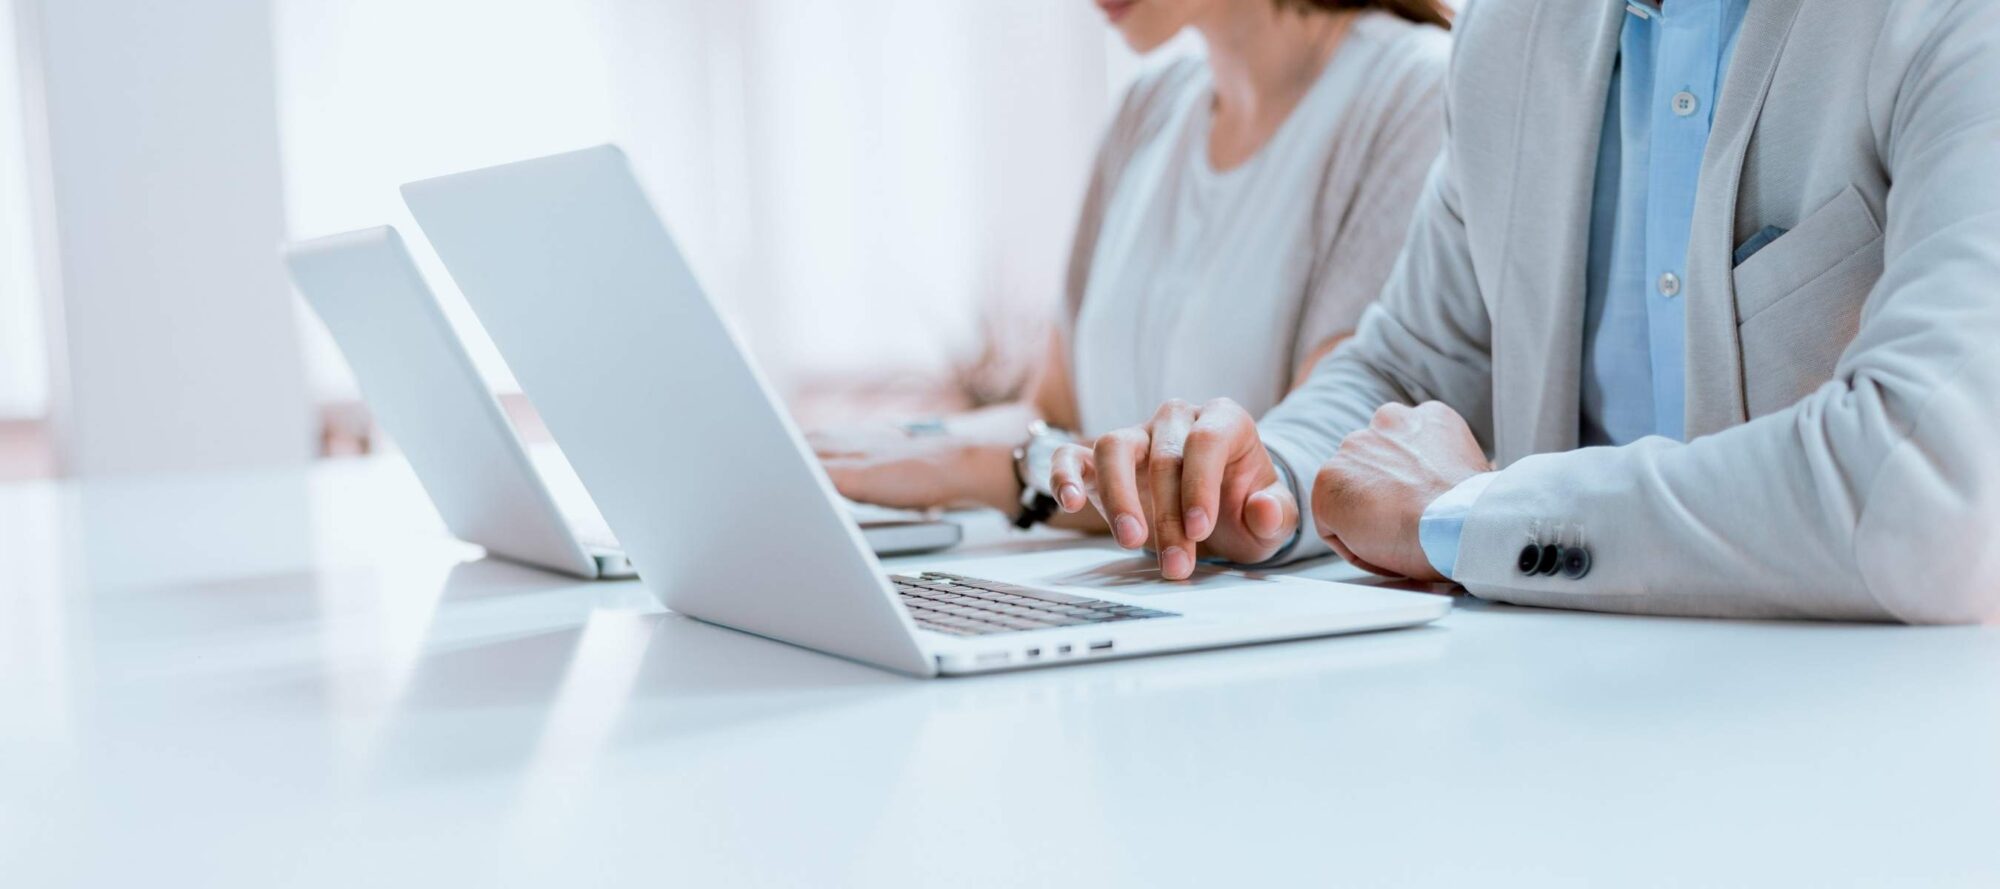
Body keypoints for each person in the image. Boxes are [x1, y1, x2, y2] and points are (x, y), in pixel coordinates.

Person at [1052, 0, 2000, 624]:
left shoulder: (1952, 23)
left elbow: (1934, 489)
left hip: (1866, 766)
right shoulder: (1509, 34)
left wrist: (1474, 512)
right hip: (1544, 739)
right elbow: (1406, 368)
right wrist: (1265, 478)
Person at [812, 0, 1452, 531]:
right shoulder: (1148, 109)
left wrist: (1000, 468)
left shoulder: (1414, 95)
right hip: (1129, 610)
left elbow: (1287, 484)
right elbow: (1053, 413)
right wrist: (893, 446)